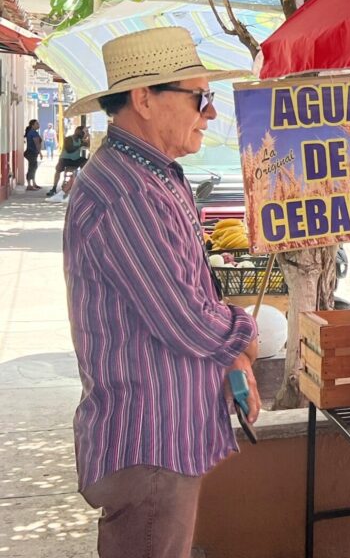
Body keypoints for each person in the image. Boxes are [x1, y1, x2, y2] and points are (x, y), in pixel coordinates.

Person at [63, 27, 256, 558]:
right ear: (144, 99)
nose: (209, 114)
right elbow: (187, 320)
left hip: (160, 441)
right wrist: (245, 331)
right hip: (148, 444)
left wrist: (231, 357)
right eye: (200, 98)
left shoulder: (151, 173)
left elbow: (186, 295)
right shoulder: (127, 190)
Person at [46, 125, 91, 196]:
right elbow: (70, 149)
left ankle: (82, 186)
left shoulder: (81, 140)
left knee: (86, 161)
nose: (84, 133)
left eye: (85, 132)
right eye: (84, 132)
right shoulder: (68, 139)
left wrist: (88, 138)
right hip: (65, 159)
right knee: (58, 170)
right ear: (78, 131)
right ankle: (54, 188)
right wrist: (81, 144)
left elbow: (86, 149)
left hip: (75, 160)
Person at [23, 119, 42, 190]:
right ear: (32, 125)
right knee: (32, 168)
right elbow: (37, 144)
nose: (38, 125)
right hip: (32, 153)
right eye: (37, 124)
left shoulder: (33, 132)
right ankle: (29, 185)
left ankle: (33, 183)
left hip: (31, 152)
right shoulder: (33, 133)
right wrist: (40, 152)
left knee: (33, 167)